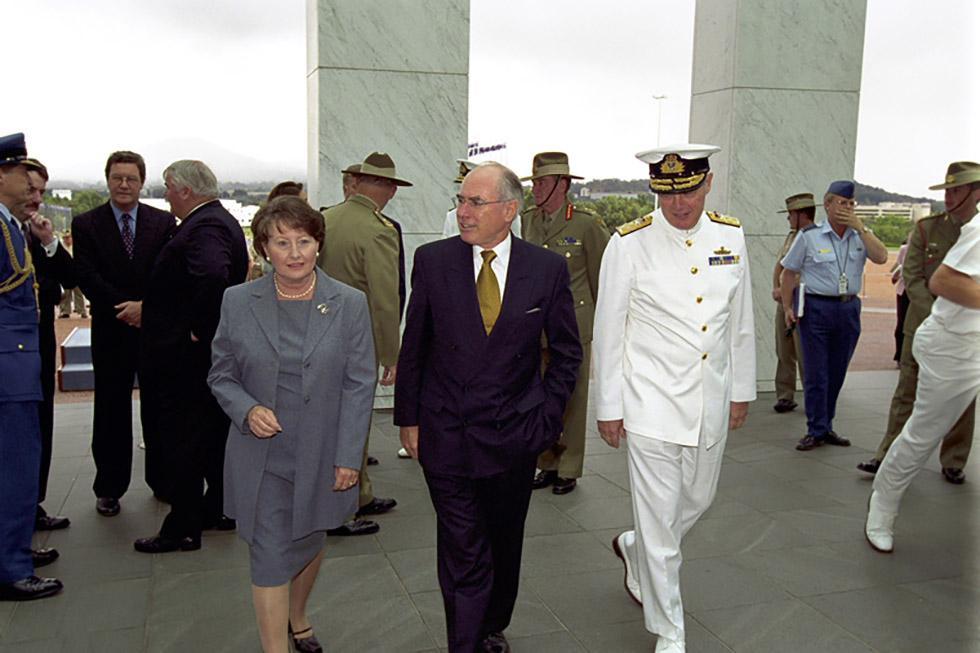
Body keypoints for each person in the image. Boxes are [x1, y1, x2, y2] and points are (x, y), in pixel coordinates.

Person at [395, 162, 581, 653]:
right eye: (461, 200)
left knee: (502, 537)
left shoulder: (545, 269)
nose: (463, 211)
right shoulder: (433, 261)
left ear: (508, 210)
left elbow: (566, 353)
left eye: (475, 203)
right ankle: (465, 641)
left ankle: (492, 622)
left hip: (514, 435)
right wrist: (408, 419)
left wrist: (547, 419)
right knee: (462, 545)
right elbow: (414, 345)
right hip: (446, 431)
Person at [594, 144, 755, 653]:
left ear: (708, 184)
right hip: (650, 403)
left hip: (709, 399)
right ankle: (670, 630)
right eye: (667, 193)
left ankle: (635, 545)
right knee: (663, 524)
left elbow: (741, 322)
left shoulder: (731, 235)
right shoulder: (628, 244)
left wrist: (742, 390)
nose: (679, 204)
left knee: (697, 501)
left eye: (687, 190)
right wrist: (609, 407)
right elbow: (610, 330)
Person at [209, 196, 376, 653]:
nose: (296, 252)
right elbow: (220, 373)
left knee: (309, 538)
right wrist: (245, 408)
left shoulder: (349, 303)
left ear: (319, 244)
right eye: (282, 242)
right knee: (268, 553)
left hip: (322, 450)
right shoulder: (238, 301)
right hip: (261, 454)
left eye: (304, 240)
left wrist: (348, 457)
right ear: (264, 248)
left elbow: (360, 384)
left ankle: (297, 616)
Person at [135, 160, 248, 553]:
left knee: (183, 439)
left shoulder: (206, 226)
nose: (165, 194)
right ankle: (215, 509)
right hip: (198, 355)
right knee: (210, 435)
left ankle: (182, 527)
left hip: (186, 357)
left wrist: (198, 326)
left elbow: (214, 274)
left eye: (167, 187)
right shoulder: (215, 220)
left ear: (185, 190)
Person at [865, 170, 980, 553]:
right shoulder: (975, 230)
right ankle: (883, 503)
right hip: (954, 346)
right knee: (922, 434)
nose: (951, 197)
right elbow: (941, 280)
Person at [72, 151, 175, 515]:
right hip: (111, 331)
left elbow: (168, 274)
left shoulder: (163, 223)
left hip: (153, 330)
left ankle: (163, 481)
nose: (124, 185)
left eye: (131, 178)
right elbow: (86, 276)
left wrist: (145, 307)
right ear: (107, 179)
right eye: (117, 177)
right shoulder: (86, 224)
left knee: (158, 409)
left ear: (142, 182)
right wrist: (126, 308)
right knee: (111, 411)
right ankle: (109, 487)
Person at [317, 152, 406, 536]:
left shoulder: (324, 218)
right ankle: (340, 508)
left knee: (337, 421)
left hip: (319, 336)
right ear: (382, 186)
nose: (391, 195)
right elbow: (385, 299)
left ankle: (360, 494)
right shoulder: (379, 230)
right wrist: (392, 354)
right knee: (351, 423)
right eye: (390, 186)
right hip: (358, 341)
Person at [521, 151, 609, 495]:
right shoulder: (528, 220)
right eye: (535, 182)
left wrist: (605, 328)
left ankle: (569, 466)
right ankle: (547, 461)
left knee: (572, 398)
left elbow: (602, 278)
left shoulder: (586, 224)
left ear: (563, 184)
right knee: (539, 396)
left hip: (573, 326)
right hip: (534, 328)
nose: (536, 189)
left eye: (542, 182)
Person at [780, 180, 888, 451]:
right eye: (841, 203)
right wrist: (788, 308)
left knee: (837, 372)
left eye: (851, 204)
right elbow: (788, 273)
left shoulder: (860, 235)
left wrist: (860, 227)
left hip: (848, 309)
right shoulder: (809, 236)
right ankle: (816, 429)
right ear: (827, 204)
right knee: (817, 374)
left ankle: (826, 425)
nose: (847, 208)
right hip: (817, 308)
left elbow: (883, 257)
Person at [0, 133, 62, 601]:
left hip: (16, 364)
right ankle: (10, 567)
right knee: (15, 468)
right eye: (24, 173)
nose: (32, 186)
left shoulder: (10, 225)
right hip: (9, 369)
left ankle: (15, 548)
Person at [13, 158, 76, 533]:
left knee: (40, 424)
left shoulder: (34, 234)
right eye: (30, 189)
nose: (36, 199)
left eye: (41, 191)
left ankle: (32, 503)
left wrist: (50, 242)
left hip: (37, 344)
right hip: (13, 347)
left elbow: (69, 277)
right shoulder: (7, 234)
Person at [771, 193, 815, 413]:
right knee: (784, 349)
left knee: (805, 353)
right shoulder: (791, 237)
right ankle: (785, 395)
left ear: (800, 214)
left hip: (802, 302)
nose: (788, 219)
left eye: (790, 215)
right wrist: (777, 288)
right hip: (785, 301)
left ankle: (812, 397)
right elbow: (780, 266)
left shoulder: (814, 237)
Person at [57, 232, 88, 318]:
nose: (67, 239)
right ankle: (65, 311)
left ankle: (82, 310)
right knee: (66, 293)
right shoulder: (61, 246)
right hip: (64, 272)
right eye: (65, 238)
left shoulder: (76, 246)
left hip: (76, 271)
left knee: (78, 292)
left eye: (68, 237)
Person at [891, 238, 909, 364]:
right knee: (902, 324)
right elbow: (899, 265)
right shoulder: (904, 249)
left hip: (920, 291)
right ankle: (900, 355)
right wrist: (895, 275)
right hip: (904, 291)